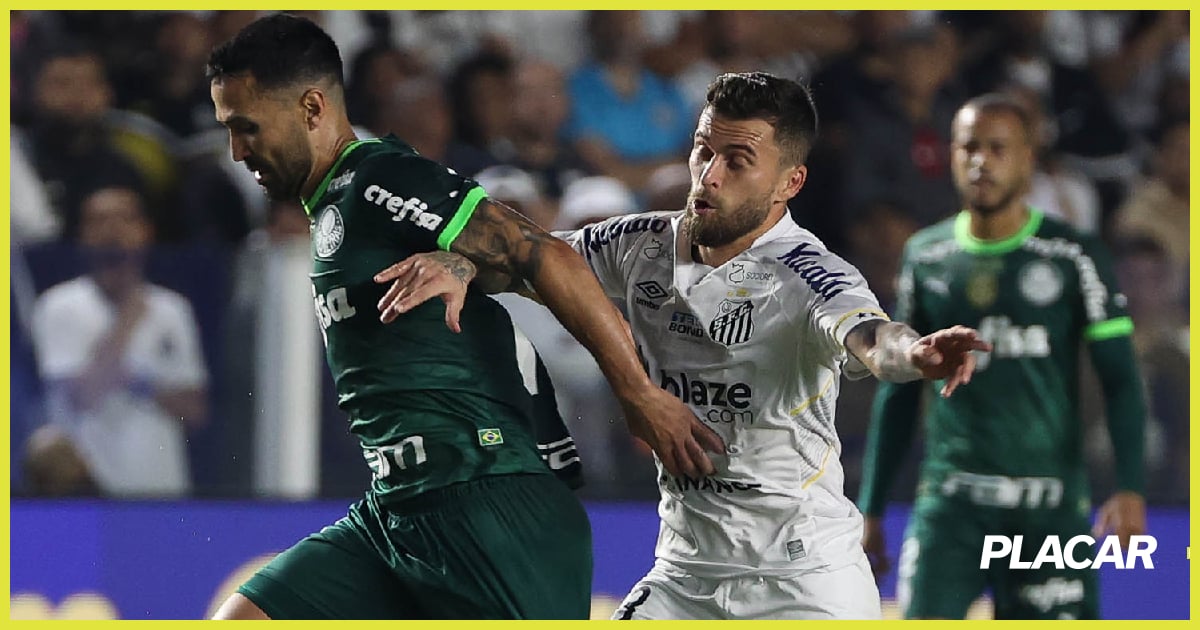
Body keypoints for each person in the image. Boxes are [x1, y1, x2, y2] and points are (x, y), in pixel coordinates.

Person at [378, 71, 990, 620]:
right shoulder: (637, 245)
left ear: (789, 182)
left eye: (738, 160)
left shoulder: (808, 274)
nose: (710, 175)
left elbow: (869, 337)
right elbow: (530, 257)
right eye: (704, 150)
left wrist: (916, 355)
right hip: (685, 577)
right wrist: (459, 263)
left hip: (802, 583)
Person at [205, 14, 721, 620]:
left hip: (487, 500)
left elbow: (544, 255)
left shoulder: (380, 178)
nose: (237, 151)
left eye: (246, 128)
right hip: (396, 510)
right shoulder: (333, 204)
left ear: (312, 107)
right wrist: (463, 263)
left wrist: (636, 394)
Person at [857, 93, 1147, 619]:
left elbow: (1121, 380)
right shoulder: (927, 255)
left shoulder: (1073, 255)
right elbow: (898, 388)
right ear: (950, 155)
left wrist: (1130, 487)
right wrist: (871, 507)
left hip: (1047, 508)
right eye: (969, 147)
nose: (980, 161)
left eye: (997, 148)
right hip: (952, 506)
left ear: (1027, 159)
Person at [29, 185, 209, 498]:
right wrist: (128, 317)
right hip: (84, 493)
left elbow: (194, 410)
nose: (113, 230)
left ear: (146, 230)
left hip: (160, 489)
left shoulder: (172, 309)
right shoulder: (59, 306)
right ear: (82, 234)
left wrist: (144, 384)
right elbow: (81, 396)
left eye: (124, 219)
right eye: (99, 221)